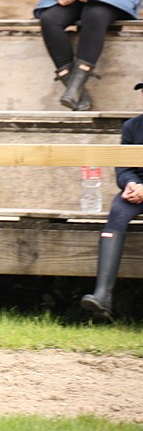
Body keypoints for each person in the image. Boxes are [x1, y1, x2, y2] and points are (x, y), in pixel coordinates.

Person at [80, 78, 143, 321]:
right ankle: (102, 296)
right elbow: (123, 167)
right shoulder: (131, 127)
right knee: (117, 211)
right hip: (135, 190)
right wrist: (131, 184)